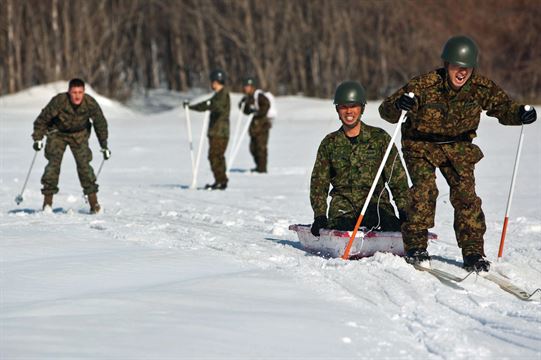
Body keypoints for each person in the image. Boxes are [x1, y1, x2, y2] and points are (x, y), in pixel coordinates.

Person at [379, 35, 537, 272]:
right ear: (447, 65)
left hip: (458, 146)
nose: (462, 73)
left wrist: (521, 114)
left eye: (467, 68)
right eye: (457, 67)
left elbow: (504, 108)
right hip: (421, 145)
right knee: (424, 190)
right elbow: (387, 111)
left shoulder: (480, 87)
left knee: (466, 196)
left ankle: (473, 252)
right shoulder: (424, 84)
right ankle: (416, 246)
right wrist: (400, 105)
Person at [310, 81, 410, 237]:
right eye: (343, 107)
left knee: (391, 227)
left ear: (362, 108)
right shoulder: (329, 143)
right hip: (343, 210)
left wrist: (404, 211)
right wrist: (320, 215)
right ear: (337, 110)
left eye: (353, 106)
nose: (349, 111)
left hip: (376, 206)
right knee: (341, 228)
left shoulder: (380, 139)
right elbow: (319, 183)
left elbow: (398, 180)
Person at [31, 78, 111, 213]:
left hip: (79, 135)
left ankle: (94, 205)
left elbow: (100, 123)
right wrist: (38, 138)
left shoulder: (90, 103)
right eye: (74, 92)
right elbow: (42, 119)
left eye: (80, 92)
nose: (77, 96)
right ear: (69, 92)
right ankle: (47, 205)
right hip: (58, 133)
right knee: (52, 166)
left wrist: (104, 145)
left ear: (84, 92)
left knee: (84, 166)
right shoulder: (59, 101)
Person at [185, 69, 231, 190]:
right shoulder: (218, 95)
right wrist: (193, 107)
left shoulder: (223, 95)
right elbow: (210, 104)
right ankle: (220, 180)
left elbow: (217, 106)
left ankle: (221, 180)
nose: (211, 84)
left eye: (212, 81)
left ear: (216, 82)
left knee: (215, 156)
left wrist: (206, 106)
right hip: (216, 131)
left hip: (220, 132)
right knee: (216, 156)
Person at [239, 77, 272, 173]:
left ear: (252, 87)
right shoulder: (248, 97)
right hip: (254, 128)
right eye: (245, 86)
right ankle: (258, 166)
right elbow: (246, 111)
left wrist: (257, 112)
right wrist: (243, 106)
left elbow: (266, 106)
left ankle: (262, 169)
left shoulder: (259, 96)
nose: (246, 88)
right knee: (253, 148)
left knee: (261, 148)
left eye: (247, 86)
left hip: (262, 127)